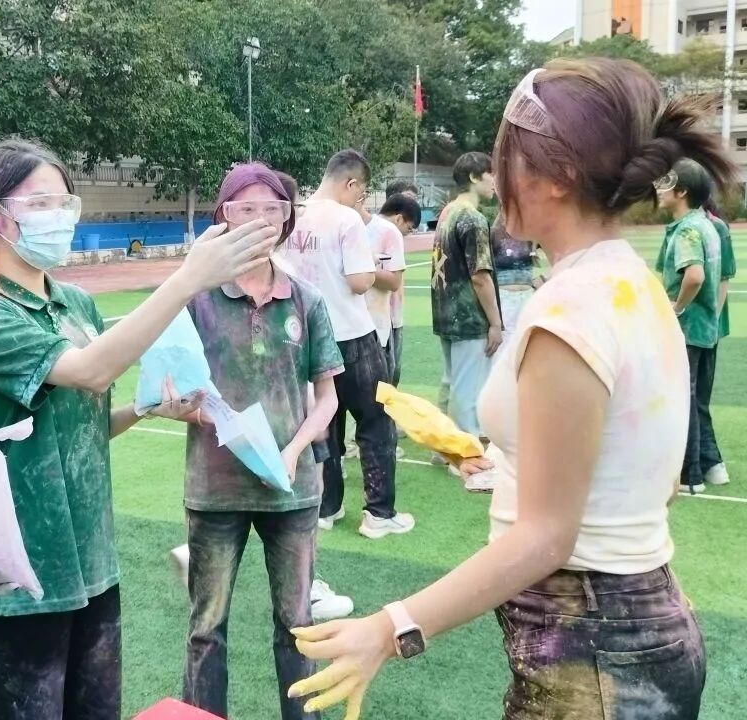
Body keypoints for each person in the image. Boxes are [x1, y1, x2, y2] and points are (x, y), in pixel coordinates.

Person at [289, 57, 731, 720]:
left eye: (507, 161)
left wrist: (390, 628)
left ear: (556, 176)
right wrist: (507, 464)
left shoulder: (571, 308)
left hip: (591, 653)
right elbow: (644, 476)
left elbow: (549, 539)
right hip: (629, 633)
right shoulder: (630, 283)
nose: (498, 182)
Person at [0, 138, 277, 720]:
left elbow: (86, 425)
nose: (57, 216)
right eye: (39, 203)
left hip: (92, 562)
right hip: (18, 571)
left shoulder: (74, 303)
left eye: (63, 202)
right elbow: (90, 370)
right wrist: (185, 280)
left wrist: (145, 410)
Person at [174, 162, 343, 720]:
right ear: (224, 218)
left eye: (272, 209)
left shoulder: (307, 301)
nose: (260, 220)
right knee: (206, 627)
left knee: (297, 626)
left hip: (291, 491)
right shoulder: (196, 300)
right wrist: (209, 417)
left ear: (287, 218)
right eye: (245, 209)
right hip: (215, 489)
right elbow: (171, 394)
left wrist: (292, 452)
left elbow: (327, 400)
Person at [280, 150, 412, 539]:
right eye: (361, 191)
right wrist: (368, 268)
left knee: (325, 423)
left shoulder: (293, 215)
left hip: (307, 340)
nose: (360, 199)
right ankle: (379, 513)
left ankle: (328, 506)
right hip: (352, 336)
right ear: (350, 183)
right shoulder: (345, 218)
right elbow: (358, 282)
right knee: (376, 421)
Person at [272, 168, 355, 623]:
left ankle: (196, 551)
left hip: (287, 403)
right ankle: (307, 587)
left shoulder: (280, 261)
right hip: (296, 404)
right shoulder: (283, 273)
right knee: (308, 491)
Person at [655, 159, 723, 494]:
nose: (659, 188)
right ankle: (707, 467)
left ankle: (690, 475)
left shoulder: (687, 230)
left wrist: (676, 307)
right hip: (705, 326)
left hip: (688, 326)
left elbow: (694, 276)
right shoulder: (706, 224)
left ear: (681, 191)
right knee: (695, 398)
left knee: (684, 397)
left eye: (666, 182)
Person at [431, 152, 502, 445]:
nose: (495, 181)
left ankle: (443, 447)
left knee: (453, 383)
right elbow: (480, 276)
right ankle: (463, 452)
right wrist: (495, 322)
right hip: (468, 317)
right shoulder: (472, 218)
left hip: (446, 312)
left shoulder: (447, 213)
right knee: (468, 391)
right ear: (474, 177)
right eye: (490, 173)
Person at [363, 194, 421, 389]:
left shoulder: (369, 228)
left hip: (387, 317)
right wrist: (362, 269)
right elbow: (393, 281)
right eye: (408, 228)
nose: (406, 234)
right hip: (380, 321)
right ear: (399, 218)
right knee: (384, 383)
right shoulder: (386, 232)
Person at [701, 197, 734, 486]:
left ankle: (712, 463)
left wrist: (713, 319)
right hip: (694, 325)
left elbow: (724, 277)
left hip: (706, 326)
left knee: (698, 396)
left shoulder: (716, 227)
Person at [491, 214, 544, 358]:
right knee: (504, 352)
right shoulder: (494, 235)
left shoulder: (529, 235)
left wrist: (543, 278)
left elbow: (560, 251)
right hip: (504, 300)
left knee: (526, 348)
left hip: (526, 298)